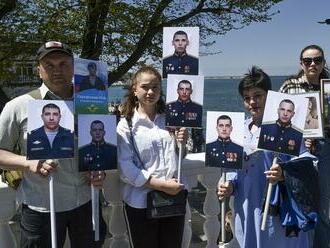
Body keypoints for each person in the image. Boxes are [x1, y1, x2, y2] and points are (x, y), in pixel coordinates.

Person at [0, 41, 106, 248]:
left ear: (74, 68)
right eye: (49, 64)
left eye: (64, 64)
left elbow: (101, 146)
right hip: (41, 207)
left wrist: (100, 170)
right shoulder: (17, 107)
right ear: (39, 70)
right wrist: (28, 163)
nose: (57, 70)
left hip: (86, 203)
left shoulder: (91, 104)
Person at [218, 66, 311, 248]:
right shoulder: (237, 130)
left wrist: (284, 173)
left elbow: (306, 163)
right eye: (247, 98)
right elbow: (231, 171)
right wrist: (229, 186)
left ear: (269, 95)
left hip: (276, 209)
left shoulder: (288, 128)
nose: (252, 102)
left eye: (257, 96)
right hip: (246, 205)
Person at [117, 66, 188, 248]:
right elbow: (125, 168)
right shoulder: (126, 125)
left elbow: (180, 155)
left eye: (155, 87)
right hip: (140, 203)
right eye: (145, 87)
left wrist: (183, 142)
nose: (150, 92)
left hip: (173, 200)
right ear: (134, 89)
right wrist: (162, 185)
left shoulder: (171, 119)